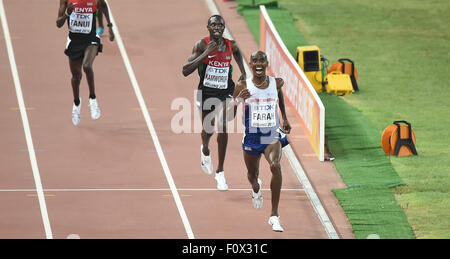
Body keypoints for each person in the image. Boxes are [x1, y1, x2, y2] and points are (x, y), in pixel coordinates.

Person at [182, 15, 246, 191]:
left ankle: (220, 172)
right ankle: (205, 150)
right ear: (208, 27)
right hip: (206, 94)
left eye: (220, 24)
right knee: (207, 131)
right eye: (213, 24)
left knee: (223, 125)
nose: (217, 27)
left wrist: (243, 73)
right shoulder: (201, 44)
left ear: (224, 27)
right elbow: (185, 71)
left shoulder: (230, 45)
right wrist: (205, 53)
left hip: (225, 92)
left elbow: (238, 53)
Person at [232, 50, 291, 232]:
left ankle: (274, 215)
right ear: (250, 64)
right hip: (251, 136)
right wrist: (237, 101)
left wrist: (284, 118)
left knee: (275, 165)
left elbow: (278, 94)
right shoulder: (243, 85)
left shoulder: (277, 82)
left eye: (262, 60)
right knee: (252, 175)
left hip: (271, 134)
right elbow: (229, 113)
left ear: (267, 63)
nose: (258, 63)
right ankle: (256, 188)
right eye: (254, 60)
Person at [56, 0, 115, 126]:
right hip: (74, 41)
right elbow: (58, 23)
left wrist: (110, 27)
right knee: (76, 77)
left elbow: (103, 5)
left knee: (87, 65)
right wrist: (67, 13)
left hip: (90, 39)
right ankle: (77, 103)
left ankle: (93, 99)